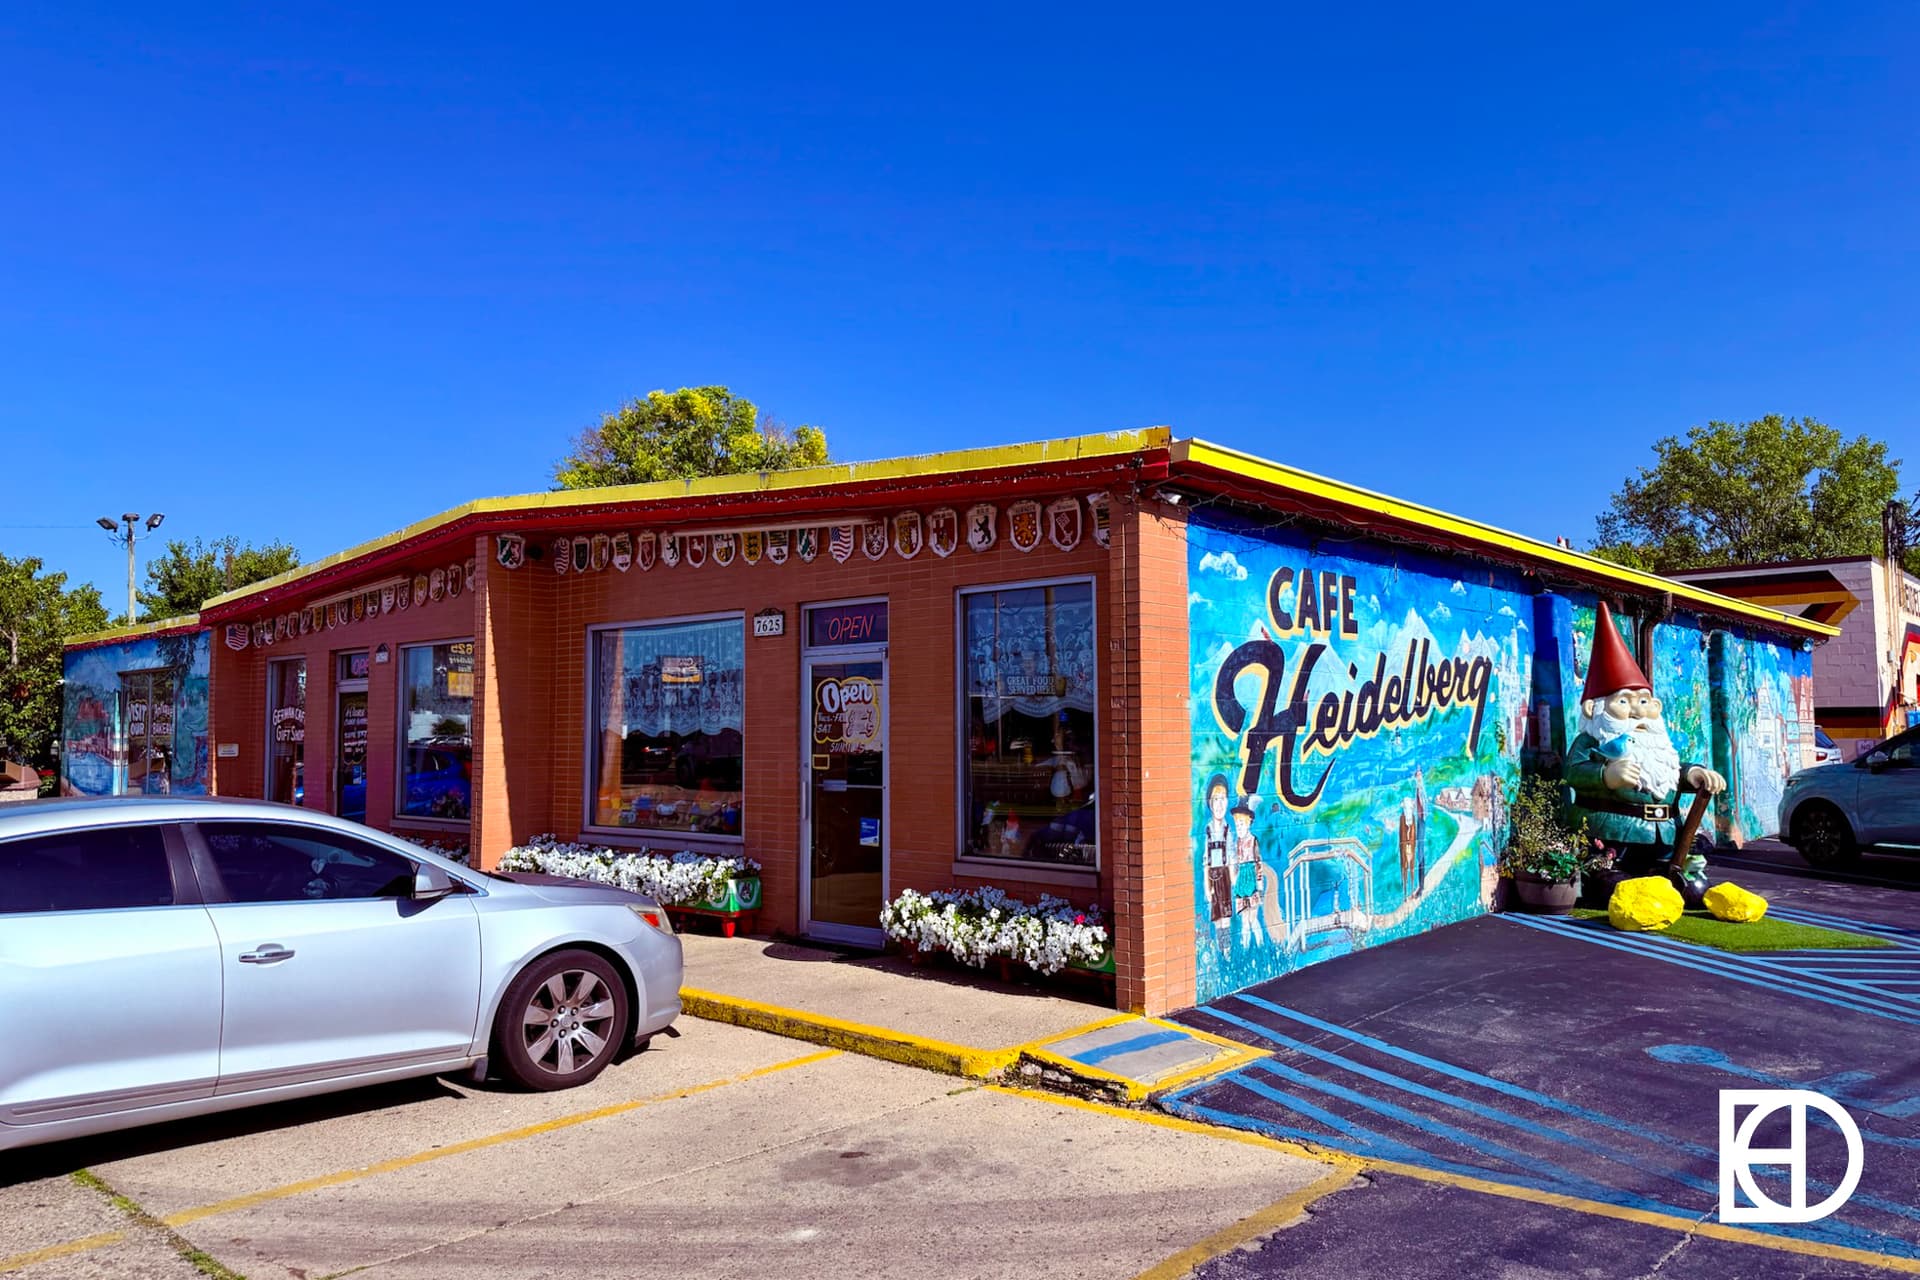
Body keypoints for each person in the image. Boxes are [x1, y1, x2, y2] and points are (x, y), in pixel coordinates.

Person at [1563, 602, 1727, 902]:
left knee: (1692, 890)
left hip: (1665, 836)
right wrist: (1605, 775)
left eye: (1643, 701)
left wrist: (1693, 774)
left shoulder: (1656, 740)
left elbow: (1667, 768)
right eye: (1624, 701)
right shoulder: (1592, 741)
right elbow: (1573, 771)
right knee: (1614, 888)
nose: (1637, 711)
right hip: (1616, 836)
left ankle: (1666, 875)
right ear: (1594, 709)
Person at [1200, 775, 1233, 953]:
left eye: (1222, 799)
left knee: (1226, 915)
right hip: (1213, 876)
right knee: (1217, 915)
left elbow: (1232, 856)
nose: (1219, 804)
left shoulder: (1228, 830)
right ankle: (1221, 949)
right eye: (1215, 800)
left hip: (1225, 877)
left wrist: (1234, 877)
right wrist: (1207, 887)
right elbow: (1206, 862)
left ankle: (1226, 948)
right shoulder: (1208, 830)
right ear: (1210, 803)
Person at [1231, 799, 1267, 947]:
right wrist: (1235, 880)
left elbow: (1258, 863)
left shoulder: (1253, 841)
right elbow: (1235, 864)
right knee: (1244, 922)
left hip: (1251, 880)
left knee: (1252, 919)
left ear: (1248, 823)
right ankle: (1245, 949)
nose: (1239, 827)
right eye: (1237, 824)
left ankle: (1260, 945)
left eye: (1242, 824)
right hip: (1241, 882)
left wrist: (1259, 885)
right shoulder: (1237, 842)